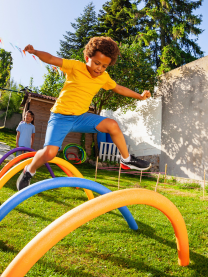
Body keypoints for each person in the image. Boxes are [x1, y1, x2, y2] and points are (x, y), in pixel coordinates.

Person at [17, 37, 152, 190]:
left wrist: (140, 96)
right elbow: (51, 58)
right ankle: (29, 170)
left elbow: (119, 88)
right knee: (50, 153)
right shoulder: (75, 66)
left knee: (112, 125)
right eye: (97, 63)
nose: (99, 68)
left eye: (104, 66)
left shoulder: (103, 77)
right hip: (60, 117)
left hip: (81, 117)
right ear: (87, 58)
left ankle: (126, 159)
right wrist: (35, 52)